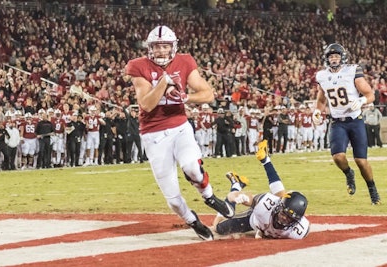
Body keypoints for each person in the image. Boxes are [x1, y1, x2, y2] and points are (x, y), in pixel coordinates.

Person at [125, 25, 234, 241]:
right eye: (157, 46)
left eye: (166, 45)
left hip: (179, 126)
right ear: (150, 48)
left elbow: (208, 94)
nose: (162, 51)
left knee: (192, 167)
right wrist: (164, 82)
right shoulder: (138, 66)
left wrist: (186, 97)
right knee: (173, 199)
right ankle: (192, 220)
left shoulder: (184, 61)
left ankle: (209, 196)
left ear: (173, 46)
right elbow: (146, 104)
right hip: (153, 134)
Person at [313, 43, 381, 205]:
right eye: (331, 56)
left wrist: (362, 100)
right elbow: (322, 98)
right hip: (337, 122)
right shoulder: (322, 75)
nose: (334, 59)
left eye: (337, 56)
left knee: (361, 161)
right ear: (327, 59)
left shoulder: (352, 70)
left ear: (342, 57)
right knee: (338, 156)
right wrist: (317, 111)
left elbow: (370, 94)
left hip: (355, 121)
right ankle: (348, 173)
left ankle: (372, 189)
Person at [212, 140, 310, 239]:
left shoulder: (299, 231)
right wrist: (239, 195)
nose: (284, 218)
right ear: (278, 206)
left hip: (265, 224)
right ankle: (236, 184)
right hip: (255, 220)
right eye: (284, 213)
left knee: (281, 196)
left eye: (289, 218)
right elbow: (237, 197)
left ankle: (265, 160)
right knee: (217, 227)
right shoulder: (265, 204)